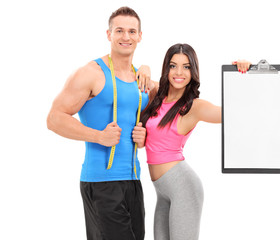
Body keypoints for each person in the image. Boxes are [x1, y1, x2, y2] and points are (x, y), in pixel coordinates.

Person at [47, 7, 154, 240]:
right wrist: (98, 136)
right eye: (119, 30)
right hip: (101, 183)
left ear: (140, 36)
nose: (126, 37)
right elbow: (54, 118)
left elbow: (180, 96)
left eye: (131, 31)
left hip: (134, 181)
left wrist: (145, 136)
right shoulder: (91, 73)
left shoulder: (141, 79)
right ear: (109, 34)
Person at [140, 43, 250, 240]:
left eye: (186, 67)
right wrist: (144, 68)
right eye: (173, 66)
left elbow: (234, 113)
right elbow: (140, 78)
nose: (179, 72)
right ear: (166, 68)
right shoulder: (157, 95)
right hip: (161, 190)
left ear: (193, 71)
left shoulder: (194, 107)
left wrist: (245, 76)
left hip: (183, 186)